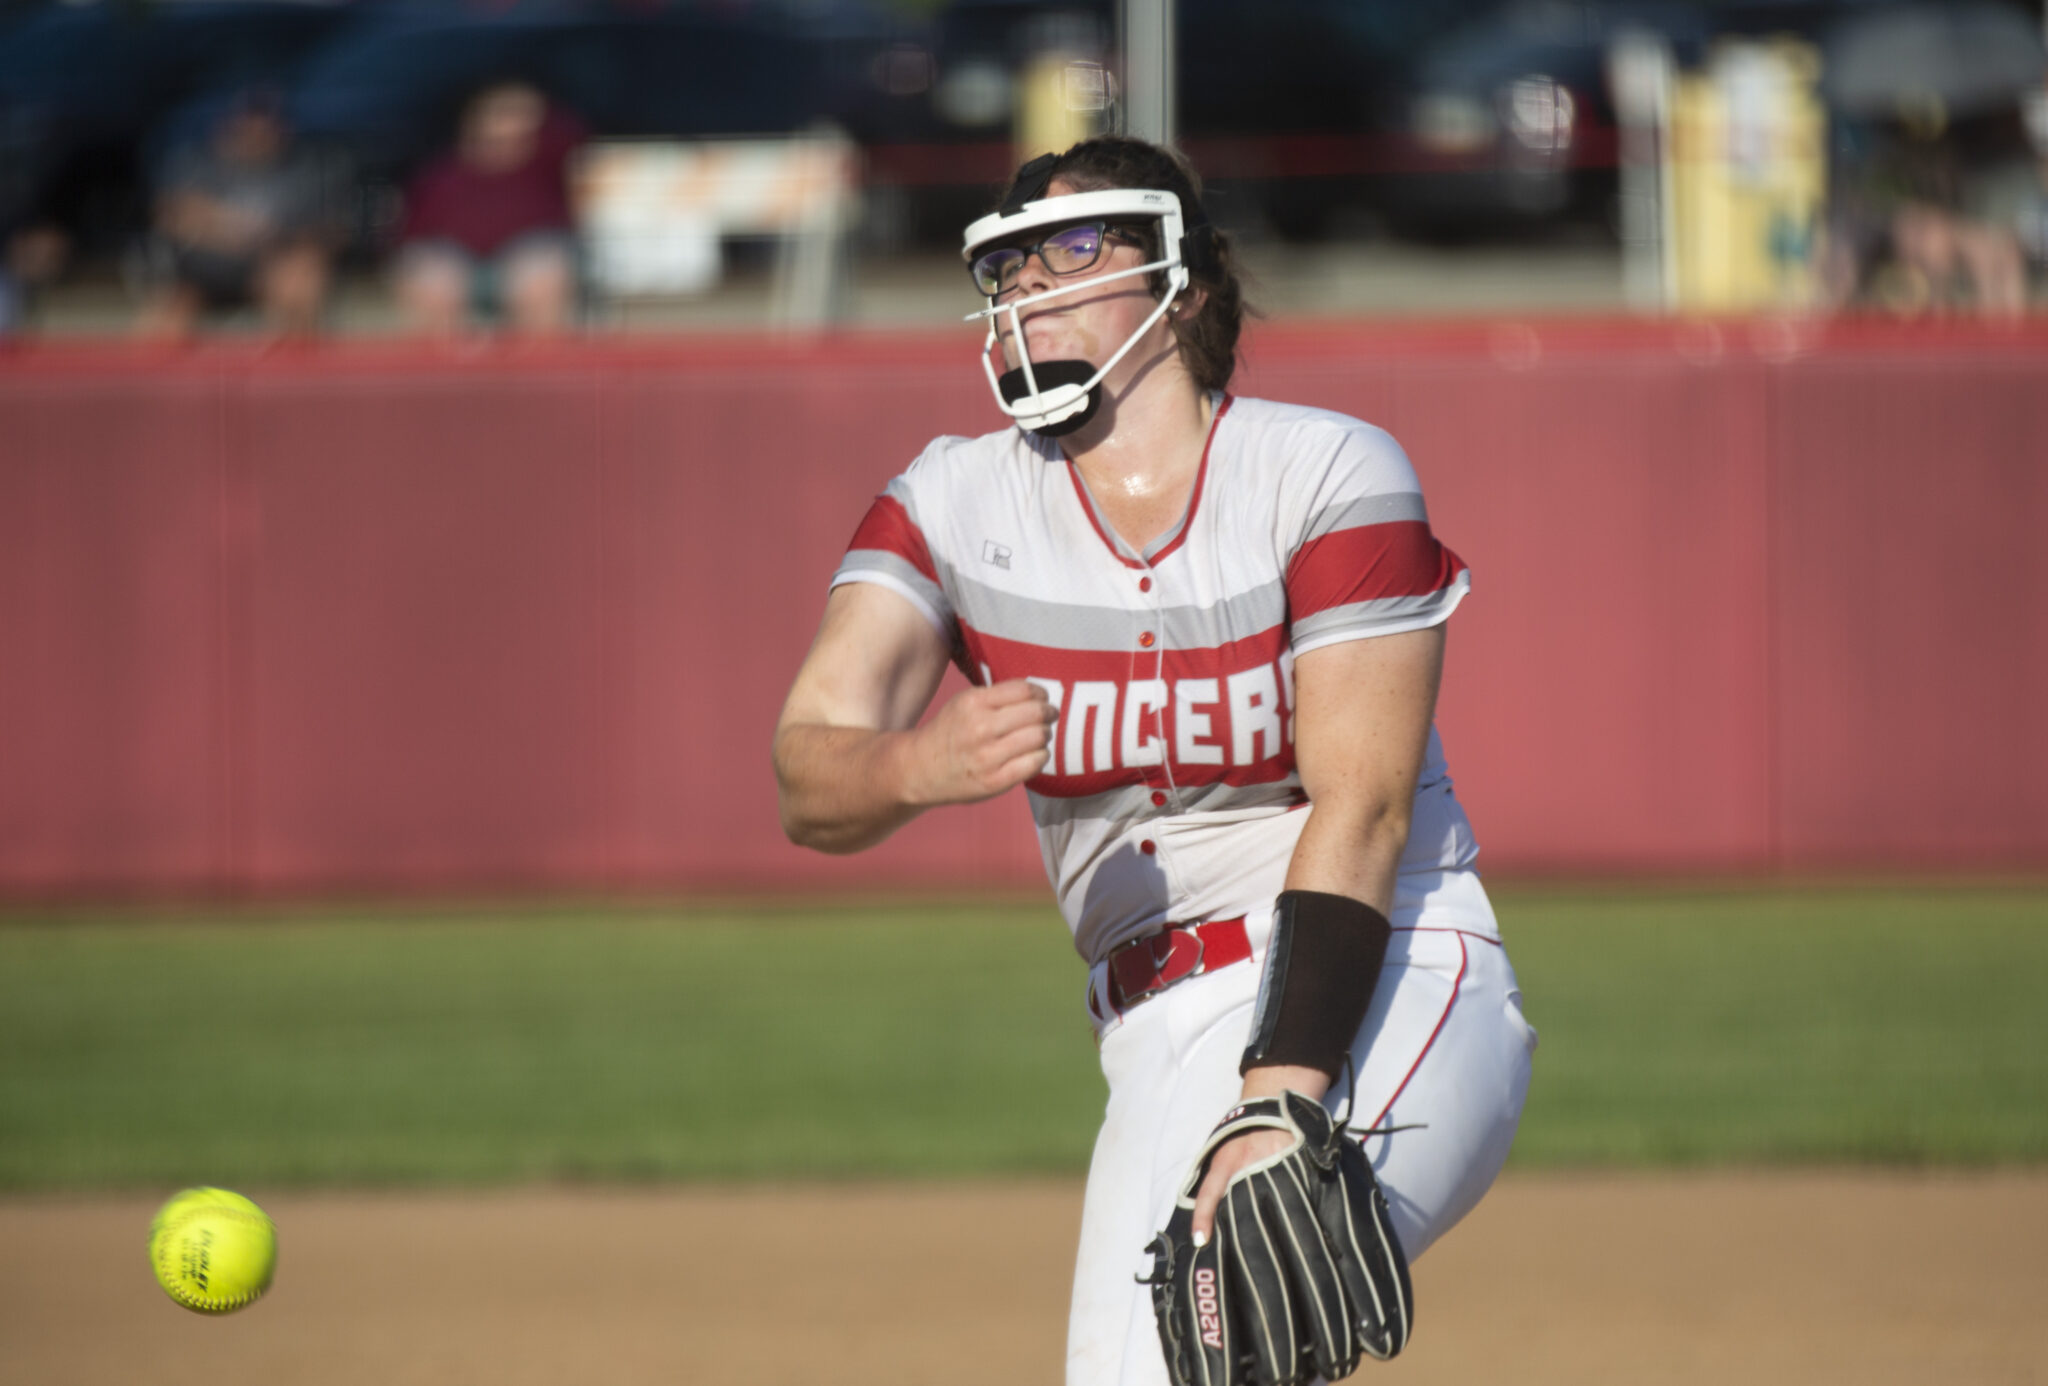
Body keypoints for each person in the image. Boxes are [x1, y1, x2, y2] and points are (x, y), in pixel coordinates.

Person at [773, 137, 1534, 1386]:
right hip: (1147, 1026)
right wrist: (914, 767)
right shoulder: (952, 500)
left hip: (1380, 970)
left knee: (1237, 1308)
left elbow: (1366, 806)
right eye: (1011, 258)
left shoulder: (1324, 469)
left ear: (1180, 282)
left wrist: (1282, 1096)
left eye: (1074, 247)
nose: (1027, 280)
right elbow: (807, 774)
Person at [136, 93, 343, 340]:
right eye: (249, 125)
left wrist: (284, 246)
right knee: (162, 329)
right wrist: (230, 228)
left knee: (300, 283)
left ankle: (293, 370)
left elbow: (329, 231)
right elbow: (170, 215)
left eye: (266, 126)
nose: (257, 133)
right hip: (200, 274)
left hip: (271, 268)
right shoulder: (197, 163)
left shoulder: (304, 170)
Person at [393, 80, 585, 338]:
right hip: (455, 259)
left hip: (529, 255)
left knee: (541, 274)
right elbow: (413, 232)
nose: (509, 122)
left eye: (517, 114)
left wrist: (535, 111)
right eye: (501, 113)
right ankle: (447, 369)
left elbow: (576, 136)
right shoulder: (443, 170)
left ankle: (538, 366)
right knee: (432, 278)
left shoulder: (546, 160)